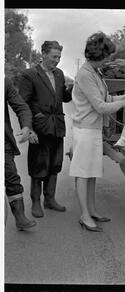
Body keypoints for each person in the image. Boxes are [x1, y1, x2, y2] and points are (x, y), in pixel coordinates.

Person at [69, 32, 125, 232]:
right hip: (84, 131)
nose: (109, 59)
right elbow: (100, 107)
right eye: (107, 55)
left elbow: (107, 99)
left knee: (91, 174)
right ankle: (84, 216)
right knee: (83, 174)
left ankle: (92, 210)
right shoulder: (84, 74)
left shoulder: (96, 73)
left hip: (94, 131)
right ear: (97, 54)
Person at [18, 40, 73, 218]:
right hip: (39, 128)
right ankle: (35, 202)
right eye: (53, 56)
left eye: (59, 57)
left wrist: (69, 89)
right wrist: (29, 129)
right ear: (43, 54)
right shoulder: (29, 75)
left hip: (57, 126)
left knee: (55, 164)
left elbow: (63, 99)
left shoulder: (59, 74)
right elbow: (22, 104)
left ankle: (50, 199)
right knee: (38, 166)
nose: (57, 60)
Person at [5, 77, 37, 230]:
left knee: (11, 176)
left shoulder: (4, 81)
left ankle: (20, 218)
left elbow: (21, 107)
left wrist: (26, 127)